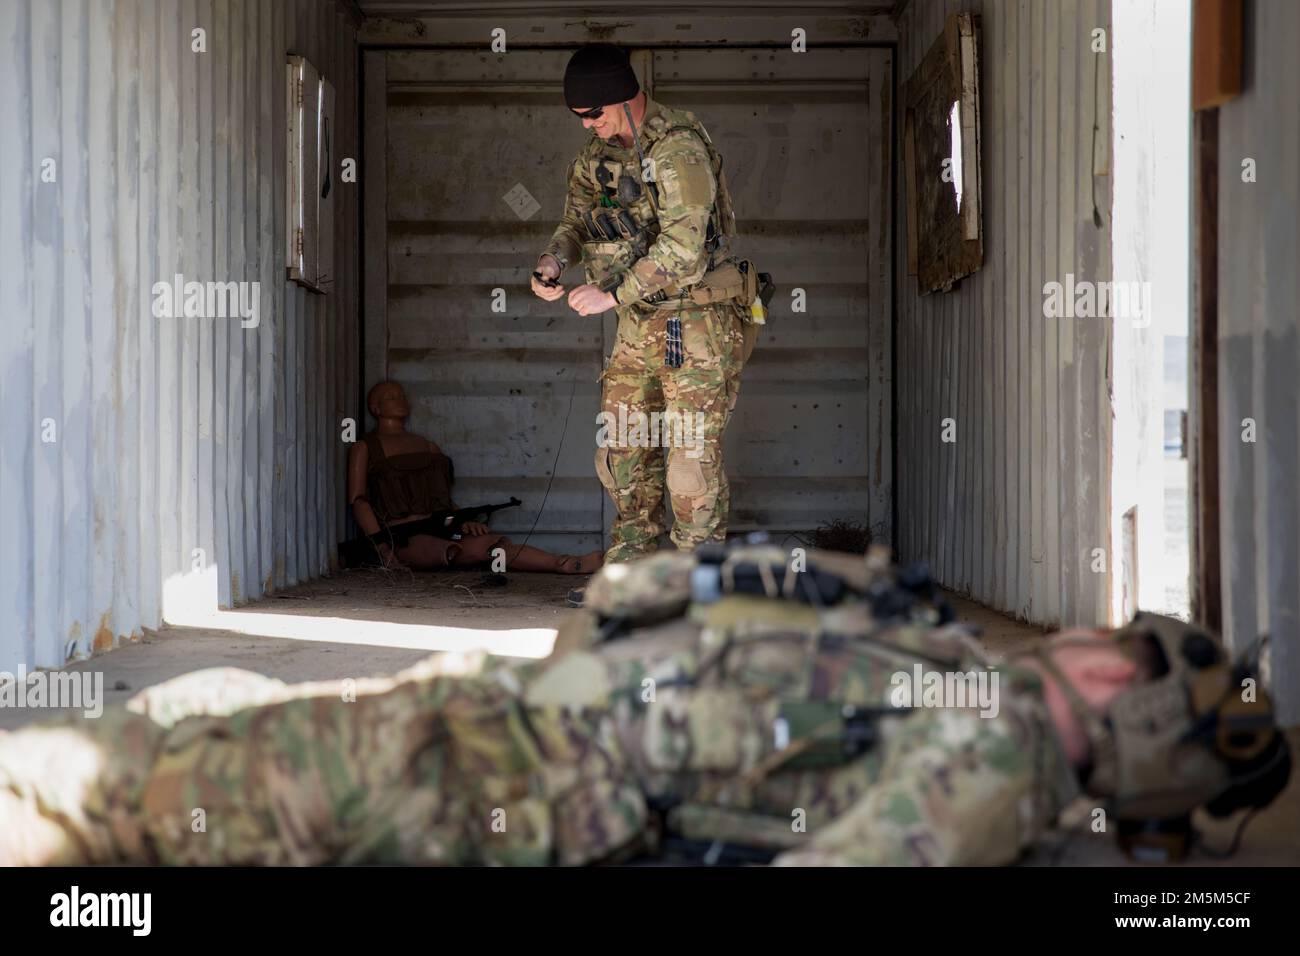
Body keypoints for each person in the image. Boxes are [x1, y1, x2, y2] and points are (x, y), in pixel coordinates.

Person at [0, 542, 1288, 867]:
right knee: (172, 742)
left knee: (104, 795)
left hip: (484, 772)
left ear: (1116, 682)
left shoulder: (984, 762)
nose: (1085, 634)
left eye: (1113, 643)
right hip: (492, 726)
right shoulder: (952, 665)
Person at [531, 44, 755, 565]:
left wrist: (609, 293)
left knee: (689, 460)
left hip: (693, 323)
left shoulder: (677, 147)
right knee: (624, 450)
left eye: (593, 114)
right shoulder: (596, 156)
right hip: (637, 328)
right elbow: (576, 222)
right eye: (579, 118)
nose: (587, 126)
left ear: (624, 98)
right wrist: (552, 262)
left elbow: (684, 245)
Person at [346, 380, 602, 573]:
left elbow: (442, 498)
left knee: (494, 546)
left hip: (440, 525)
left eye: (401, 395)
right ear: (375, 407)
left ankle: (564, 563)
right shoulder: (366, 447)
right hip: (402, 535)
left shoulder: (427, 447)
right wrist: (382, 547)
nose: (400, 400)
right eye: (390, 397)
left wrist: (461, 521)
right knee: (457, 551)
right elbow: (359, 501)